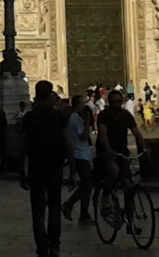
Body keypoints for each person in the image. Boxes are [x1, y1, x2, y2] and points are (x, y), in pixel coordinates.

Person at [18, 81, 72, 257]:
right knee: (55, 206)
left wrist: (21, 170)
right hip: (55, 166)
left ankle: (41, 246)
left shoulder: (29, 117)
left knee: (38, 210)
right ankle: (54, 244)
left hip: (36, 167)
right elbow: (68, 142)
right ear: (50, 95)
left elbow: (23, 145)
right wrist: (72, 169)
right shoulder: (58, 116)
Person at [61, 94, 96, 225]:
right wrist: (87, 121)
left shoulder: (74, 117)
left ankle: (72, 207)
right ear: (78, 105)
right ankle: (80, 212)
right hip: (79, 154)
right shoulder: (76, 118)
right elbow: (83, 136)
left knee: (86, 184)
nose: (85, 105)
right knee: (87, 184)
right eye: (83, 103)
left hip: (81, 154)